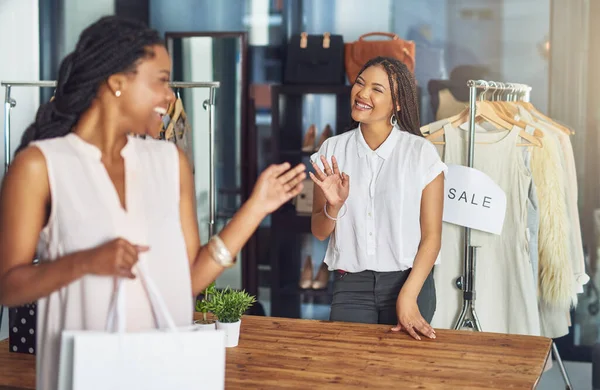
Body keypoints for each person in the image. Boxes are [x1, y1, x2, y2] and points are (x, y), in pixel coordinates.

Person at [0, 16, 305, 389]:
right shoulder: (40, 165)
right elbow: (9, 286)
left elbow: (189, 279)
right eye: (160, 80)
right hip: (85, 372)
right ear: (116, 82)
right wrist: (85, 262)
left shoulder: (169, 162)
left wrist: (258, 206)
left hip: (166, 368)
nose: (169, 96)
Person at [309, 56, 446, 341]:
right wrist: (334, 206)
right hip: (351, 286)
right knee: (350, 374)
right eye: (360, 83)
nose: (362, 94)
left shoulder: (421, 153)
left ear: (397, 103)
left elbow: (431, 238)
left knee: (402, 378)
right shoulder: (331, 150)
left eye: (376, 89)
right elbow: (319, 232)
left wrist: (408, 296)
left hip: (409, 282)